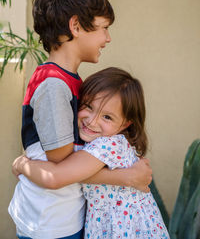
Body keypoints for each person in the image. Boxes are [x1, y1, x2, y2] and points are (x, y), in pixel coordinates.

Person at [9, 0, 152, 239]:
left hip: (62, 215)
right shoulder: (53, 84)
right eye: (103, 28)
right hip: (49, 222)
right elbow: (61, 164)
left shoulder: (71, 82)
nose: (107, 38)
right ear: (75, 26)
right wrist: (124, 176)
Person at [13, 67, 169, 239]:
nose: (92, 121)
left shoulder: (108, 145)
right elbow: (80, 173)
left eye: (107, 117)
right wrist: (127, 176)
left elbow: (58, 176)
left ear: (125, 124)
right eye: (88, 106)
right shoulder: (98, 143)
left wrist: (22, 164)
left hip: (124, 229)